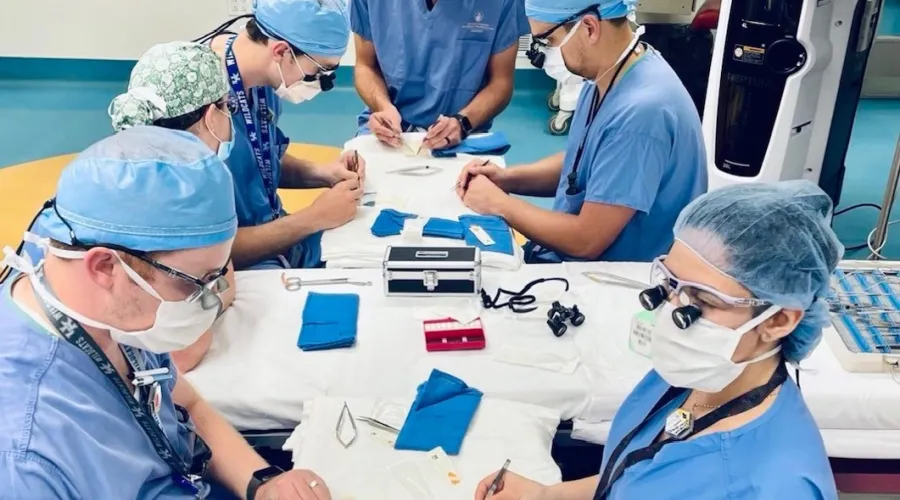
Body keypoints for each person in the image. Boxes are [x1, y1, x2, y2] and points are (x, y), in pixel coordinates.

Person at [0, 126, 333, 500]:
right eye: (197, 283)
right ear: (105, 267)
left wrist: (262, 482)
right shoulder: (27, 458)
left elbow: (184, 402)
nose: (210, 300)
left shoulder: (112, 314)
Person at [474, 180, 843, 500]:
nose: (673, 312)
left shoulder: (769, 485)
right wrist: (546, 494)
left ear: (778, 319)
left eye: (703, 301)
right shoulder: (693, 377)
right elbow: (636, 476)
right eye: (671, 284)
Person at [456, 0, 708, 263]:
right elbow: (585, 165)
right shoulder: (608, 74)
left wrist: (498, 204)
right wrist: (506, 178)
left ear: (589, 28)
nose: (544, 56)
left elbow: (586, 241)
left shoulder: (642, 114)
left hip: (617, 281)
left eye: (548, 41)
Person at [105, 41, 239, 372]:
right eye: (228, 107)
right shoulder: (188, 205)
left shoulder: (115, 172)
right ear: (211, 115)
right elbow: (182, 353)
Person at [207, 0, 366, 271]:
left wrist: (323, 173)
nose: (321, 82)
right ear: (282, 51)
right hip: (233, 266)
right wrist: (312, 218)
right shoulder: (197, 108)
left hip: (276, 235)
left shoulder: (263, 76)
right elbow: (206, 254)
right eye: (319, 71)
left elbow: (259, 158)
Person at [351, 0, 530, 150]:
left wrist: (462, 123)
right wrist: (384, 108)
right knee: (362, 186)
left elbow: (500, 83)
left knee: (470, 189)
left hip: (464, 130)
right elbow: (366, 66)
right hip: (390, 127)